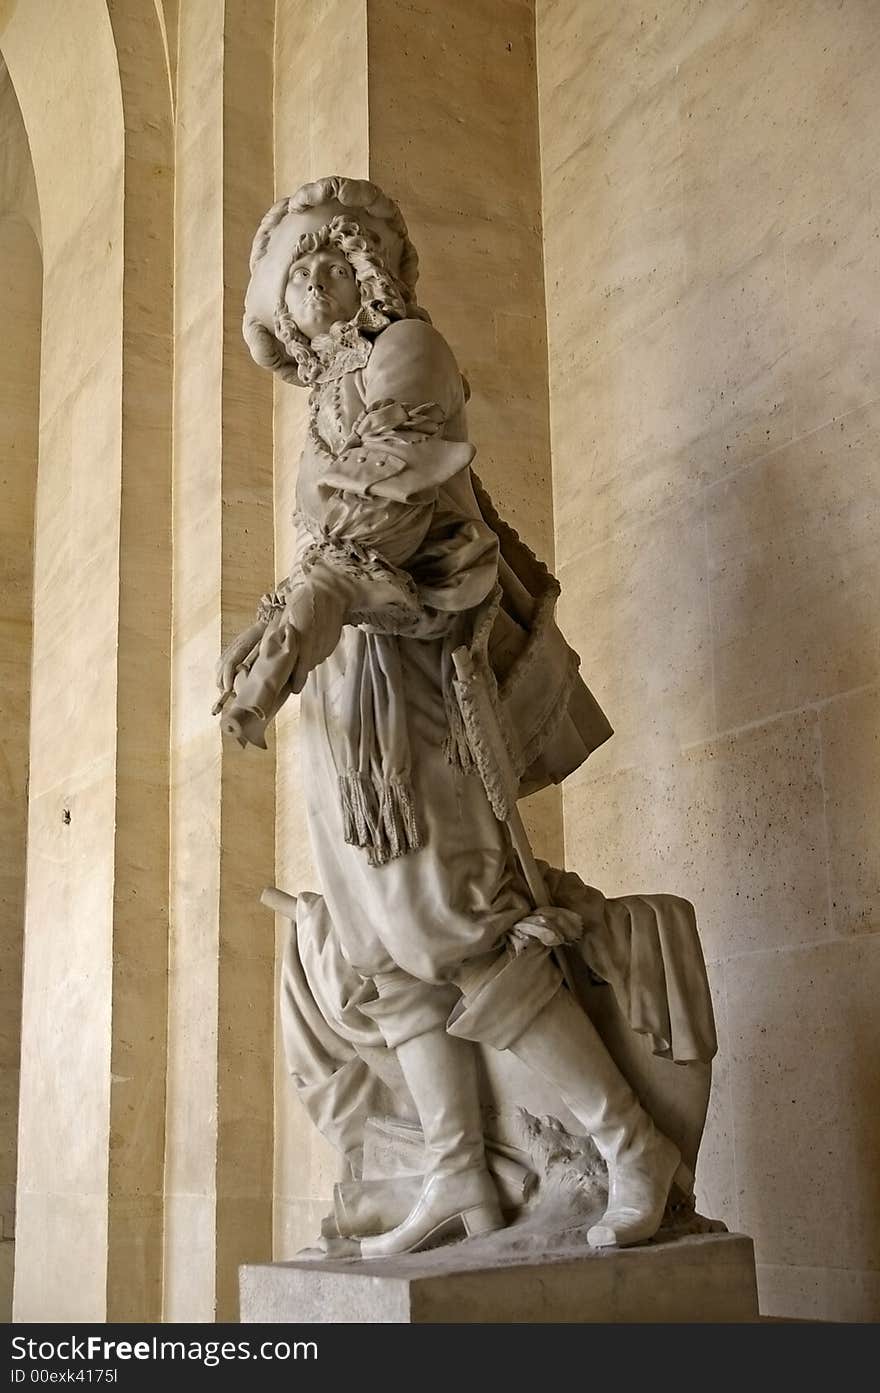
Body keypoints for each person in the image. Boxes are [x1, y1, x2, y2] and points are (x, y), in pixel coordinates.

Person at [215, 176, 691, 1257]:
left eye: (337, 255)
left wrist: (292, 630)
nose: (318, 279)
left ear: (373, 266)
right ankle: (457, 1175)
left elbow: (379, 513)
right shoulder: (323, 393)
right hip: (341, 698)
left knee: (453, 921)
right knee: (371, 952)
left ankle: (629, 1146)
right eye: (297, 268)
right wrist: (282, 643)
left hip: (414, 684)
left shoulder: (408, 356)